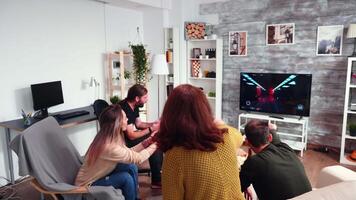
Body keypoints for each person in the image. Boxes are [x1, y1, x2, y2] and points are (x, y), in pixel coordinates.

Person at [155, 84, 245, 200]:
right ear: (205, 109)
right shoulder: (227, 136)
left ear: (170, 114)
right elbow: (239, 136)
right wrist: (216, 123)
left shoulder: (175, 156)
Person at [75, 104, 157, 200]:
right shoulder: (109, 146)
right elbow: (138, 159)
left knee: (131, 166)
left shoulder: (112, 136)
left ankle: (134, 197)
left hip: (100, 175)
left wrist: (146, 143)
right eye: (125, 118)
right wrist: (157, 144)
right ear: (117, 123)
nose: (127, 120)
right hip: (86, 186)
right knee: (125, 178)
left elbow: (129, 153)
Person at [240, 119, 312, 200]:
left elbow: (236, 187)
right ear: (270, 137)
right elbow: (274, 133)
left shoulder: (253, 162)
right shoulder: (285, 148)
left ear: (247, 142)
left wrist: (246, 185)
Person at [119, 84, 163, 188]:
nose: (147, 99)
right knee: (154, 140)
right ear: (137, 98)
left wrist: (153, 124)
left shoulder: (135, 105)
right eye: (145, 97)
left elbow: (139, 124)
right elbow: (131, 136)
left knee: (156, 137)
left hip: (129, 137)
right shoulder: (124, 108)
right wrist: (151, 129)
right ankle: (157, 181)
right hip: (123, 142)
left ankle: (158, 175)